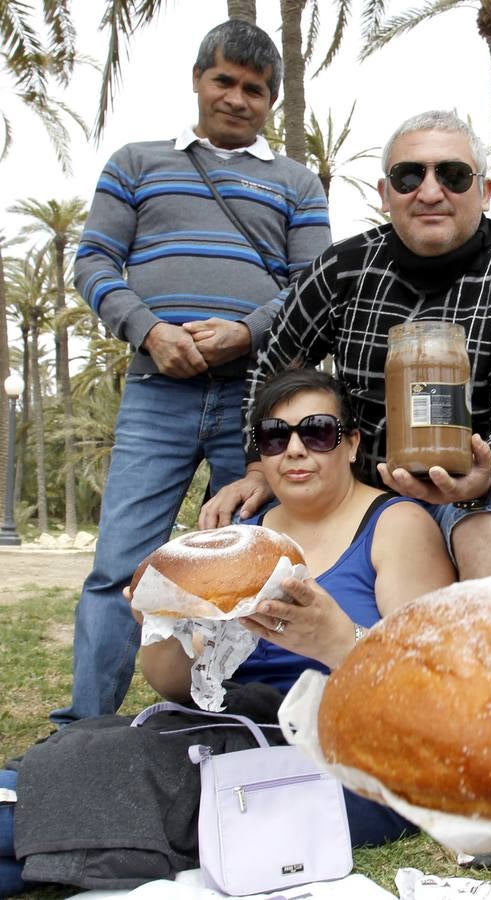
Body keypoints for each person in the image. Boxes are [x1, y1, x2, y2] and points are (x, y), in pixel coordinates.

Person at [0, 369, 456, 895]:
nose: (295, 450)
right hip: (230, 735)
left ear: (351, 443)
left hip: (343, 762)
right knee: (90, 753)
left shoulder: (396, 525)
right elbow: (178, 685)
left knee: (91, 783)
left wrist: (336, 640)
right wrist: (160, 625)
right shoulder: (248, 537)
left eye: (318, 432)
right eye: (274, 436)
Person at [56, 20, 331, 725]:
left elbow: (313, 287)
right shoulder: (136, 162)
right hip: (157, 392)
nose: (238, 99)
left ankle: (252, 717)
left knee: (263, 565)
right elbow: (91, 262)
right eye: (225, 82)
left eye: (255, 90)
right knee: (120, 565)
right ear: (198, 80)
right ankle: (85, 729)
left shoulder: (296, 183)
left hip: (256, 399)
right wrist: (147, 330)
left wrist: (246, 332)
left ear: (271, 101)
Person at [200, 109, 491, 581]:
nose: (431, 191)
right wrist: (258, 467)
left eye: (454, 176)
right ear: (385, 194)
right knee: (233, 535)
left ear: (484, 192)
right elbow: (273, 365)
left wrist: (485, 476)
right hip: (369, 482)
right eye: (409, 175)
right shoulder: (344, 270)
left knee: (484, 537)